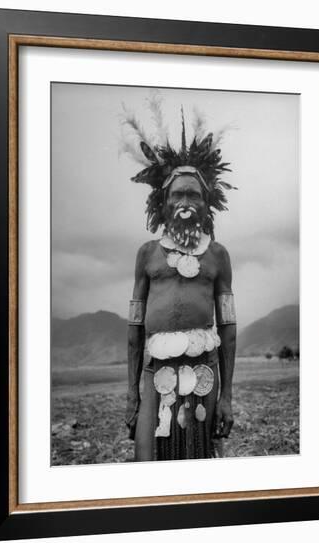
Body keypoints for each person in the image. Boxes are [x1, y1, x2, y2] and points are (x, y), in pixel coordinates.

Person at [123, 106, 237, 461]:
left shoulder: (218, 256)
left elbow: (228, 328)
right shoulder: (147, 255)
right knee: (149, 465)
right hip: (155, 376)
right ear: (164, 202)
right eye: (177, 195)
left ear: (207, 205)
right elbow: (134, 329)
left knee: (201, 466)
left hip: (205, 374)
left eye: (194, 195)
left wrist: (227, 396)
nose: (185, 202)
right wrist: (132, 394)